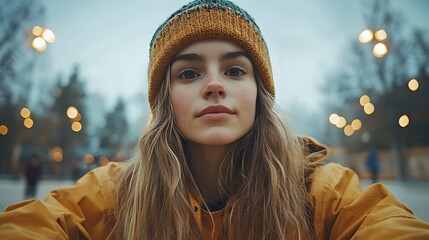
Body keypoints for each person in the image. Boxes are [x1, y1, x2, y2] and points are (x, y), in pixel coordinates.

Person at [1, 0, 429, 239]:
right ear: (164, 99)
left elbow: (388, 226)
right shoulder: (117, 192)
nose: (214, 85)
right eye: (188, 73)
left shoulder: (320, 190)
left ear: (259, 93)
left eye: (235, 70)